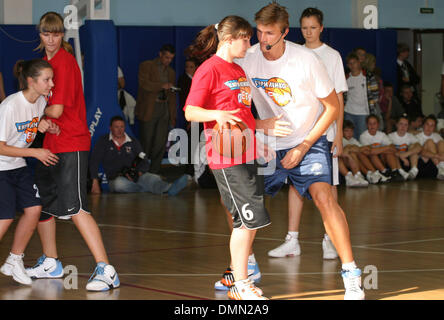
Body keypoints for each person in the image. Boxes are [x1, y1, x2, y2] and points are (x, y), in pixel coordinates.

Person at [237, 2, 365, 300]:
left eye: (269, 33)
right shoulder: (249, 59)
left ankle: (352, 275)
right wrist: (259, 124)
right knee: (240, 202)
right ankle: (244, 266)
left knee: (324, 197)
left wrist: (306, 144)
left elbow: (332, 107)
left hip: (308, 140)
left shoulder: (306, 60)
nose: (263, 38)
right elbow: (236, 108)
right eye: (259, 31)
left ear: (285, 32)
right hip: (269, 142)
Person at [24, 12, 120, 291]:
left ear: (62, 35)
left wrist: (32, 117)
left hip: (71, 144)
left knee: (76, 208)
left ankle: (106, 268)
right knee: (43, 204)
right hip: (50, 146)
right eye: (46, 33)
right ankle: (51, 261)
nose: (51, 39)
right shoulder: (44, 64)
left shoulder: (63, 63)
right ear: (39, 33)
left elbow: (55, 109)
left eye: (56, 34)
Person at [184, 15, 272, 300]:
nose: (250, 43)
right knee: (246, 220)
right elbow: (190, 111)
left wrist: (261, 134)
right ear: (229, 39)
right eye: (245, 38)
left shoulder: (238, 70)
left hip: (247, 151)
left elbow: (244, 116)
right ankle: (241, 284)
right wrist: (216, 115)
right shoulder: (209, 70)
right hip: (226, 155)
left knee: (251, 219)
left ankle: (237, 274)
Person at [266, 7, 348, 261]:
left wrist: (339, 135)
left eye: (313, 27)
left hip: (323, 132)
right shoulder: (292, 53)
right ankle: (292, 239)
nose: (309, 32)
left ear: (321, 28)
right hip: (296, 132)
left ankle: (330, 240)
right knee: (295, 185)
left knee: (328, 187)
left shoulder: (331, 56)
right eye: (304, 27)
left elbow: (338, 99)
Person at [0, 59, 60, 285]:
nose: (51, 83)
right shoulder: (10, 106)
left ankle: (14, 260)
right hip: (1, 167)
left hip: (19, 165)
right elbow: (1, 146)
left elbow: (38, 123)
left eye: (52, 79)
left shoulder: (41, 101)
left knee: (34, 209)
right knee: (4, 219)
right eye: (46, 80)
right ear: (31, 81)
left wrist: (48, 125)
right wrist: (36, 153)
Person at [89, 115, 189, 195]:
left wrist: (140, 172)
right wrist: (95, 182)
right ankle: (148, 189)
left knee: (152, 178)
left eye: (122, 127)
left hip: (136, 175)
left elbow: (144, 159)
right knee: (118, 185)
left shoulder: (132, 141)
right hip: (117, 178)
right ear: (110, 128)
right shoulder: (104, 141)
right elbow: (94, 161)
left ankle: (169, 188)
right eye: (116, 127)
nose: (119, 130)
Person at [135, 44, 177, 174]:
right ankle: (141, 172)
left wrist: (172, 116)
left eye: (171, 58)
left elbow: (172, 96)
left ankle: (154, 172)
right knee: (146, 142)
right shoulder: (146, 65)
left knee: (160, 143)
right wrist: (162, 85)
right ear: (160, 54)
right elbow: (144, 84)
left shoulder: (171, 72)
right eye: (166, 57)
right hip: (150, 108)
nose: (168, 61)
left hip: (164, 108)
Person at [360, 114, 409, 182]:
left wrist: (383, 149)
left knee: (390, 152)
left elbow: (392, 147)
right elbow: (369, 151)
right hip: (370, 160)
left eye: (374, 123)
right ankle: (384, 172)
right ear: (366, 125)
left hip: (382, 158)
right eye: (370, 123)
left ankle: (395, 172)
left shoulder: (382, 134)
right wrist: (386, 148)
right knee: (373, 154)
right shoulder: (363, 136)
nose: (372, 126)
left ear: (378, 125)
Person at [344, 52, 382, 139]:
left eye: (354, 62)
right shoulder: (346, 78)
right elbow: (343, 95)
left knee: (362, 136)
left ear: (359, 63)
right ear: (348, 65)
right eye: (350, 63)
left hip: (363, 112)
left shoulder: (368, 76)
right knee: (349, 137)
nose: (353, 65)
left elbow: (375, 93)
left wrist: (372, 106)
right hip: (349, 112)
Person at [388, 115, 422, 180]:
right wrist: (402, 157)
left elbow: (419, 147)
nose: (403, 127)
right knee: (391, 150)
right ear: (396, 125)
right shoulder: (390, 136)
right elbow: (390, 149)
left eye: (405, 125)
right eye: (401, 124)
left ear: (408, 126)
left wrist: (405, 154)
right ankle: (401, 172)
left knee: (414, 146)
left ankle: (414, 171)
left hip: (407, 161)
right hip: (396, 161)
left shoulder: (410, 136)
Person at [415, 115, 444, 179]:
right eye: (427, 124)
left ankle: (442, 169)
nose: (429, 127)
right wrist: (437, 156)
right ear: (423, 125)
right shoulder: (417, 137)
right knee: (430, 142)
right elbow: (421, 152)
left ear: (434, 128)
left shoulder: (437, 136)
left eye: (432, 125)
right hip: (423, 163)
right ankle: (440, 168)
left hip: (436, 162)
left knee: (441, 142)